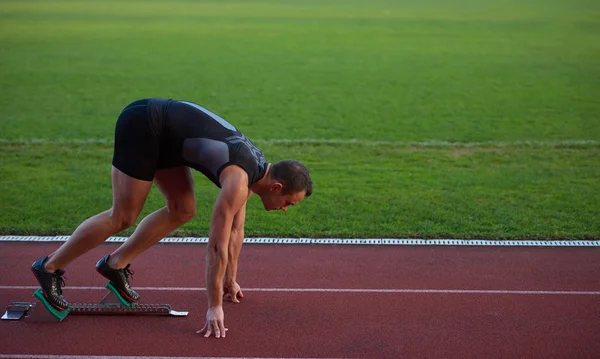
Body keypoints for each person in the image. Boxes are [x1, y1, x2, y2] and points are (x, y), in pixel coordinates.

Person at [30, 98, 313, 338]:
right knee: (123, 215)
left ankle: (114, 264)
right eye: (288, 202)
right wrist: (214, 305)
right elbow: (216, 246)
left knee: (182, 209)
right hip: (144, 124)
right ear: (276, 187)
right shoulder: (240, 180)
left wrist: (230, 281)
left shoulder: (256, 170)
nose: (285, 208)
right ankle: (50, 267)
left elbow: (236, 231)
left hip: (168, 137)